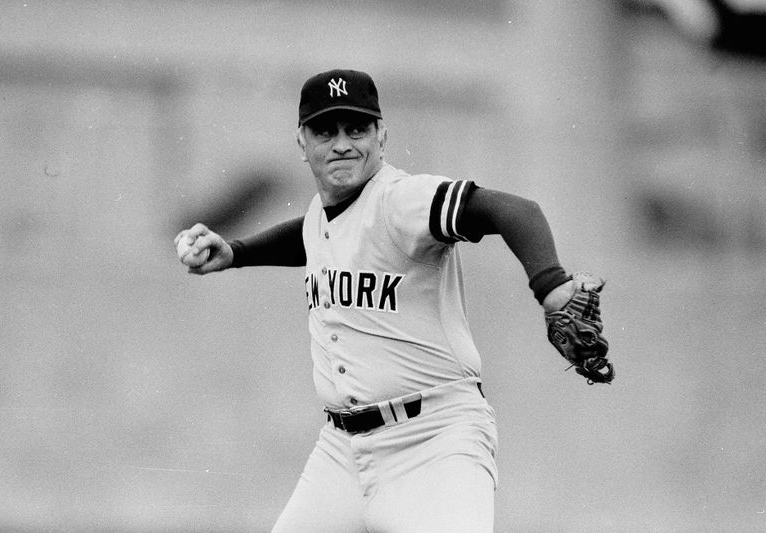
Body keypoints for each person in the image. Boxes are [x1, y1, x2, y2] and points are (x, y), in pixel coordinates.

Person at [174, 69, 607, 532]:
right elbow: (312, 236)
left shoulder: (403, 200)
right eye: (325, 131)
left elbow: (516, 211)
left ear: (382, 137)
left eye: (356, 129)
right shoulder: (325, 214)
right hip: (341, 453)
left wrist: (551, 286)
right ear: (302, 143)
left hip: (434, 443)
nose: (342, 143)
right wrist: (237, 252)